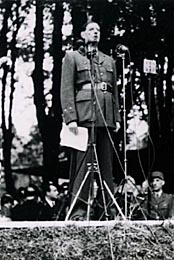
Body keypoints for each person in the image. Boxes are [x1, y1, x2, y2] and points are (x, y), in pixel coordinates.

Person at [61, 20, 120, 220]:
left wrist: (116, 116)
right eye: (91, 30)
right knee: (82, 166)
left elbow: (115, 92)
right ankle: (78, 211)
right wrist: (70, 118)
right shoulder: (72, 57)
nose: (95, 33)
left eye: (98, 30)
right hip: (83, 116)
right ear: (83, 34)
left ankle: (108, 211)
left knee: (106, 166)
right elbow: (67, 89)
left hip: (106, 116)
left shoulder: (109, 60)